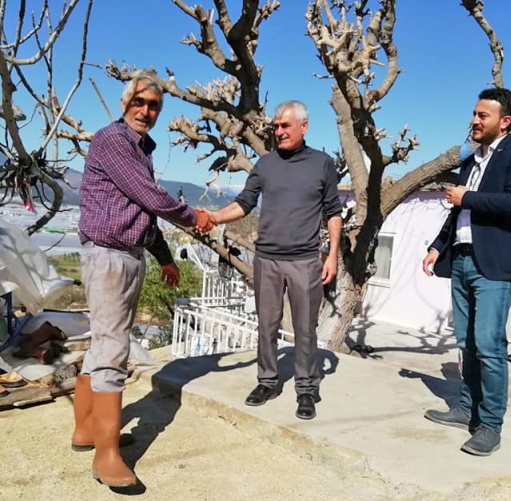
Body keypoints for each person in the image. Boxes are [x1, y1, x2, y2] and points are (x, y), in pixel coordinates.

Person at [72, 72, 215, 487]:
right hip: (108, 257)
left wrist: (166, 259)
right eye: (139, 102)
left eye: (154, 106)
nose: (146, 111)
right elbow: (150, 196)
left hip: (125, 256)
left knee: (103, 344)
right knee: (113, 350)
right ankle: (107, 457)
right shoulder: (113, 140)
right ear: (124, 104)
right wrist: (194, 216)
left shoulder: (141, 148)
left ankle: (86, 431)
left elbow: (141, 214)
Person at [422, 88, 511, 456]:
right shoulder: (471, 162)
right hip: (461, 258)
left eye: (482, 115)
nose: (474, 120)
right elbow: (458, 213)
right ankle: (466, 409)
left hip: (494, 265)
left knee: (489, 345)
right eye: (474, 113)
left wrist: (467, 197)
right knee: (467, 343)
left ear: (504, 122)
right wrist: (437, 246)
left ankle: (490, 425)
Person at [211, 100, 342, 421]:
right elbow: (244, 203)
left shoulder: (322, 163)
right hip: (267, 260)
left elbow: (333, 212)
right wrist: (213, 217)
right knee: (267, 324)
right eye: (276, 126)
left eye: (285, 126)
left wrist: (333, 255)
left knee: (305, 329)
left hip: (305, 261)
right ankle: (267, 382)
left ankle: (306, 389)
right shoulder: (265, 164)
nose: (279, 131)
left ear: (303, 127)